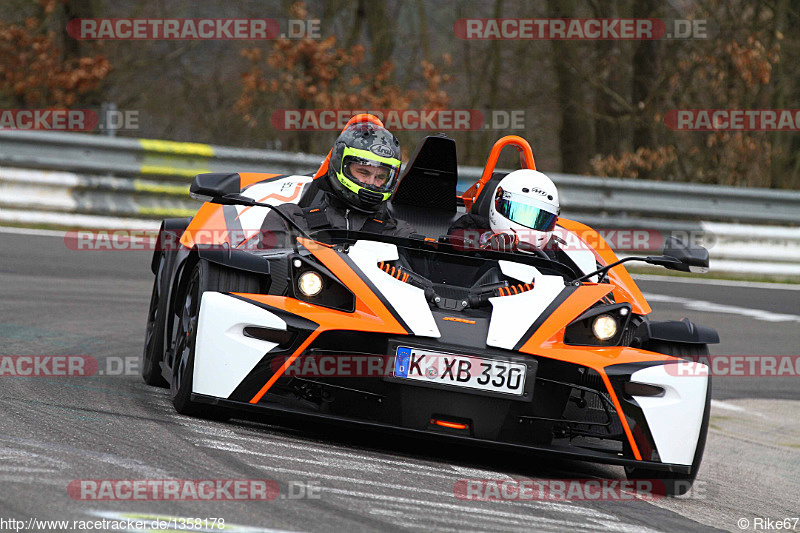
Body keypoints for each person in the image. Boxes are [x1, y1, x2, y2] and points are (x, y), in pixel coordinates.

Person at [259, 119, 416, 247]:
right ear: (340, 164)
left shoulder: (399, 233)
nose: (371, 183)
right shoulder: (289, 220)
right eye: (363, 172)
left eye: (380, 177)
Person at [449, 169, 561, 255]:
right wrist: (486, 251)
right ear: (498, 203)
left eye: (541, 219)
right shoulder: (464, 236)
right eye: (520, 213)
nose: (528, 225)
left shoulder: (553, 254)